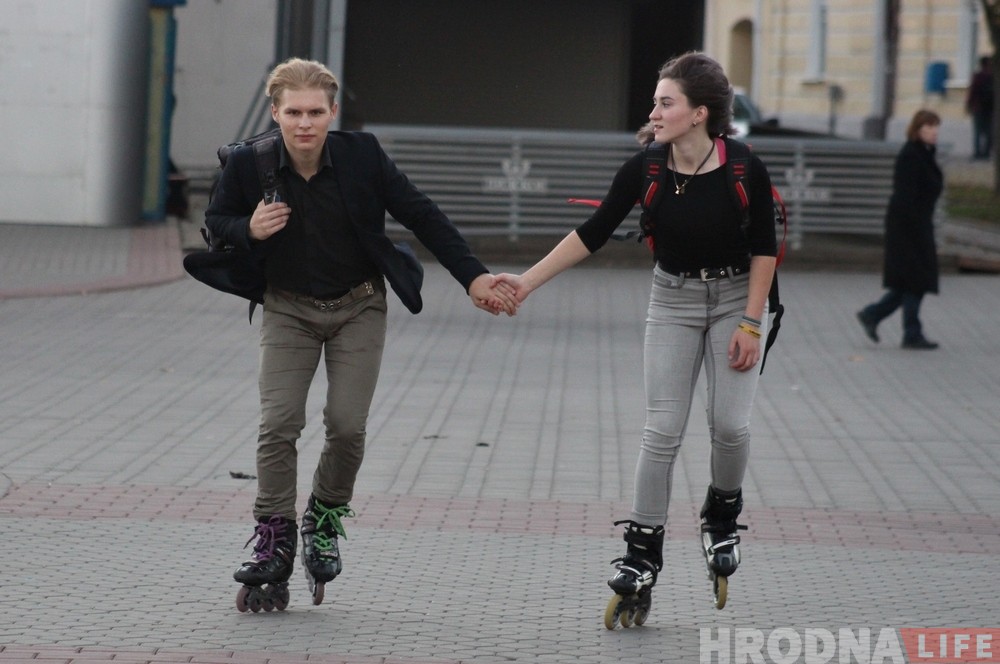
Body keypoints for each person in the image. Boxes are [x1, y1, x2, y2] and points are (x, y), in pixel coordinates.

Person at [206, 57, 515, 610]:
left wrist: (473, 277)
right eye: (294, 112)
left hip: (358, 306)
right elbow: (216, 222)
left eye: (316, 112)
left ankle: (323, 518)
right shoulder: (250, 165)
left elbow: (422, 214)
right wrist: (246, 227)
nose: (305, 124)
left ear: (333, 112)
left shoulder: (361, 156)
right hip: (288, 308)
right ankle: (274, 536)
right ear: (275, 113)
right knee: (279, 422)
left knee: (347, 426)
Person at [491, 52, 777, 617]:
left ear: (699, 113)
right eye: (656, 101)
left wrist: (750, 320)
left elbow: (766, 246)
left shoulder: (744, 167)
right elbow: (592, 233)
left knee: (729, 425)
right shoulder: (646, 168)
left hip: (735, 299)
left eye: (665, 102)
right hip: (671, 299)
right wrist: (525, 283)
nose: (655, 111)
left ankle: (721, 513)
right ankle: (641, 551)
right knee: (661, 430)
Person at [857, 109, 943, 350]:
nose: (934, 132)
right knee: (915, 280)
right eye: (928, 127)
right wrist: (915, 232)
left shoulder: (924, 153)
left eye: (936, 126)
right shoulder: (911, 156)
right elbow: (905, 197)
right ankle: (910, 332)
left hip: (916, 225)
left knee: (908, 282)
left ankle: (873, 315)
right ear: (917, 130)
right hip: (908, 228)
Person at [965, 56, 993, 160]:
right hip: (990, 109)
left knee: (977, 131)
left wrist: (968, 105)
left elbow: (972, 92)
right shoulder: (993, 76)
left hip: (978, 108)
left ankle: (977, 152)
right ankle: (986, 152)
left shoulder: (977, 76)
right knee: (988, 131)